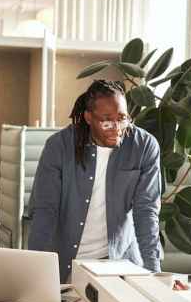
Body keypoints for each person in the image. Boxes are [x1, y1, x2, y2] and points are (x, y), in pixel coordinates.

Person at [27, 79, 162, 282]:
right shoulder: (59, 146)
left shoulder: (143, 146)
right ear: (89, 117)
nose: (116, 127)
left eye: (122, 118)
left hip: (119, 263)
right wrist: (36, 273)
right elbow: (45, 210)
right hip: (67, 264)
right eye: (107, 120)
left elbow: (146, 211)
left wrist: (154, 274)